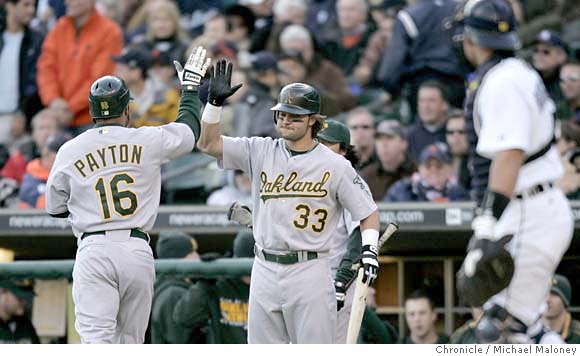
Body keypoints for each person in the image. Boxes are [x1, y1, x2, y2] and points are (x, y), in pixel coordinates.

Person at [197, 61, 380, 343]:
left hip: (310, 268)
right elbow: (208, 145)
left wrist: (369, 249)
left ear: (312, 121)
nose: (285, 120)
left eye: (294, 116)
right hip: (264, 265)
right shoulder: (260, 150)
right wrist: (213, 105)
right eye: (281, 114)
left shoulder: (336, 165)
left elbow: (368, 213)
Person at [45, 47, 211, 343]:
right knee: (131, 342)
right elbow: (188, 133)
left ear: (94, 111)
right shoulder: (146, 139)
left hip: (94, 247)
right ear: (126, 109)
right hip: (137, 248)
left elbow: (54, 207)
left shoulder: (70, 149)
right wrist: (189, 91)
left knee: (97, 341)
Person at [451, 0, 574, 344]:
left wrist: (486, 226)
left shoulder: (504, 81)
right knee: (526, 328)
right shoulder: (514, 73)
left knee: (501, 330)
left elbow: (509, 154)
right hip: (533, 207)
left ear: (473, 37)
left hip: (528, 211)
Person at [37, 0, 124, 135]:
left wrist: (70, 108)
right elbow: (46, 68)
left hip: (92, 119)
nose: (68, 2)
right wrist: (53, 100)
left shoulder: (109, 31)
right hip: (58, 116)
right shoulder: (60, 28)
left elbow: (100, 80)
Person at [173, 229, 254, 344]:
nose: (248, 277)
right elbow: (184, 318)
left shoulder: (272, 286)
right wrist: (205, 282)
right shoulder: (221, 284)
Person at [151, 232, 206, 344]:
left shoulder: (174, 288)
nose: (197, 257)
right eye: (192, 253)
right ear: (179, 258)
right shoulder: (173, 293)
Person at [0, 0, 44, 131]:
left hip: (19, 120)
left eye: (33, 5)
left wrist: (22, 113)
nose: (31, 10)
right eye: (26, 5)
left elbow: (35, 83)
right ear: (10, 6)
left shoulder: (37, 41)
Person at [112, 47, 180, 128]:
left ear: (136, 72)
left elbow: (177, 133)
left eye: (120, 69)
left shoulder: (169, 97)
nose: (115, 73)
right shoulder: (116, 98)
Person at [386, 143, 469, 202]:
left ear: (449, 169)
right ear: (420, 168)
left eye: (439, 165)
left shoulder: (459, 194)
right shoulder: (402, 190)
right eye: (428, 165)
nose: (433, 170)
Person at [360, 120, 416, 200]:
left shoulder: (417, 173)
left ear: (404, 143)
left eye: (389, 138)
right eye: (379, 139)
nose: (383, 144)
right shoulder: (366, 176)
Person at [18, 131, 70, 209]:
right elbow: (44, 206)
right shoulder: (32, 176)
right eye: (48, 153)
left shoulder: (73, 174)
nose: (47, 156)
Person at [406, 81, 450, 162]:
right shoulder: (408, 136)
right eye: (422, 100)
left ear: (445, 105)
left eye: (431, 100)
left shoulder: (455, 132)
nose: (426, 106)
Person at [542, 274, 580, 343]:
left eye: (554, 294)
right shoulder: (527, 334)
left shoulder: (577, 336)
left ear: (565, 301)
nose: (547, 300)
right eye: (544, 294)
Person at [0, 279, 39, 344]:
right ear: (2, 291)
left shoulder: (26, 325)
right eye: (20, 297)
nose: (25, 302)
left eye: (27, 297)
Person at [445, 109, 470, 191]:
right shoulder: (438, 161)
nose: (456, 137)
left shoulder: (480, 163)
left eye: (461, 132)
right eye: (450, 132)